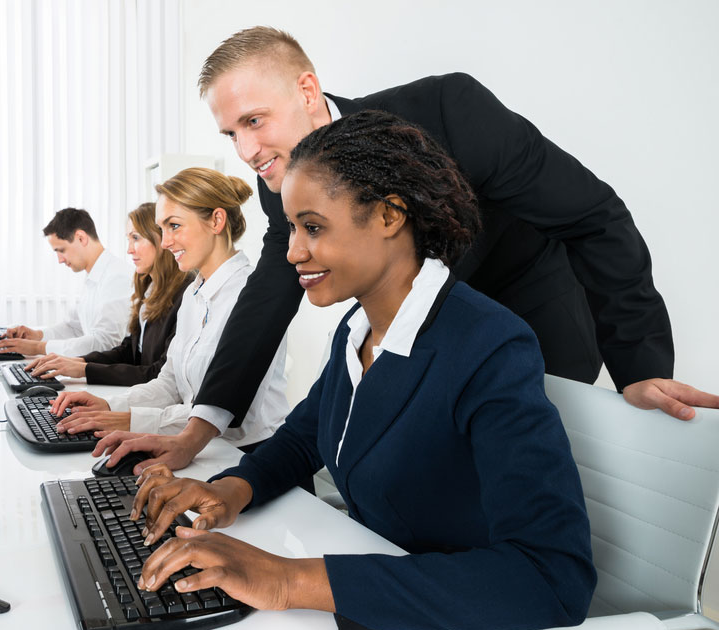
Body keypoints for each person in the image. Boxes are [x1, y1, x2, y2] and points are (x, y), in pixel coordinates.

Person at [95, 26, 719, 477]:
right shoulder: (278, 183)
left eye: (255, 121)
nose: (247, 151)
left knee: (512, 484)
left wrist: (639, 368)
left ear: (308, 89)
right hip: (418, 330)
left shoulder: (449, 112)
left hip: (528, 311)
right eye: (231, 133)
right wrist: (200, 428)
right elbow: (266, 299)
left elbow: (594, 216)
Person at [128, 110, 596, 630]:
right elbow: (305, 438)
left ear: (389, 216)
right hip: (379, 594)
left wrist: (288, 581)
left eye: (312, 228)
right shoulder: (360, 326)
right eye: (289, 229)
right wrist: (231, 489)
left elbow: (553, 576)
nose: (293, 252)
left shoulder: (489, 346)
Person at [50, 167, 289, 453]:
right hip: (205, 447)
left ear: (216, 221)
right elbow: (169, 383)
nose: (164, 242)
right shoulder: (193, 294)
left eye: (174, 226)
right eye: (162, 229)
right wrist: (109, 405)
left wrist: (130, 419)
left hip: (250, 452)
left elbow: (225, 415)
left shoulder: (250, 295)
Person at [23, 202, 193, 385]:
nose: (129, 249)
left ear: (161, 239)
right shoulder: (148, 286)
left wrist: (83, 368)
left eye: (136, 237)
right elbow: (129, 350)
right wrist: (79, 362)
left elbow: (159, 372)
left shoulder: (185, 293)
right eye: (128, 239)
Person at [0, 207, 132, 357]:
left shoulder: (117, 277)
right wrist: (37, 335)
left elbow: (105, 343)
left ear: (81, 238)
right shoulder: (94, 276)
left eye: (62, 250)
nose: (60, 260)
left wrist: (39, 348)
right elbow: (74, 328)